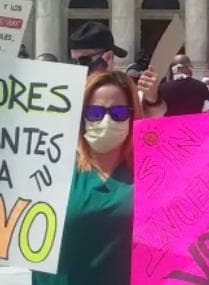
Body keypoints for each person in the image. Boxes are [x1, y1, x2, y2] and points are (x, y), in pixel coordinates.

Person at [32, 71, 141, 284]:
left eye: (118, 112)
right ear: (80, 116)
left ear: (132, 115)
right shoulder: (50, 169)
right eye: (94, 113)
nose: (106, 120)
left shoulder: (150, 173)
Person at [69, 21, 165, 118]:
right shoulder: (67, 91)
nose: (78, 66)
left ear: (108, 57)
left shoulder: (127, 91)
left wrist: (152, 99)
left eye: (84, 60)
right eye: (74, 61)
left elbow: (151, 118)